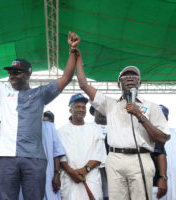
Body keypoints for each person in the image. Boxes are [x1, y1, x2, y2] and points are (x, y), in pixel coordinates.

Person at [0, 23, 80, 200]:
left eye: (17, 72)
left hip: (34, 158)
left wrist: (72, 51)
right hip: (6, 158)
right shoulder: (3, 91)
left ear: (28, 74)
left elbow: (66, 77)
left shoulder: (40, 93)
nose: (12, 75)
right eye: (10, 72)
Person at [75, 43, 170, 199]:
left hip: (142, 157)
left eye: (135, 76)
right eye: (125, 77)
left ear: (140, 83)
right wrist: (77, 57)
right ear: (119, 84)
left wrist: (140, 116)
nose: (130, 78)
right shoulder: (109, 104)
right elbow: (83, 85)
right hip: (115, 159)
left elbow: (161, 139)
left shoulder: (151, 107)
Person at [58, 93, 106, 200]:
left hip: (91, 178)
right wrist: (71, 172)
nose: (81, 109)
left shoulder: (95, 130)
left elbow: (99, 155)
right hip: (70, 179)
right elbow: (60, 155)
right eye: (77, 107)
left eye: (83, 107)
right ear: (70, 110)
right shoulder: (61, 131)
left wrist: (85, 170)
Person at [89, 106, 109, 200]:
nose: (101, 113)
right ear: (93, 112)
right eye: (99, 110)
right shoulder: (88, 127)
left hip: (112, 165)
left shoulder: (114, 127)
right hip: (93, 165)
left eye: (104, 110)